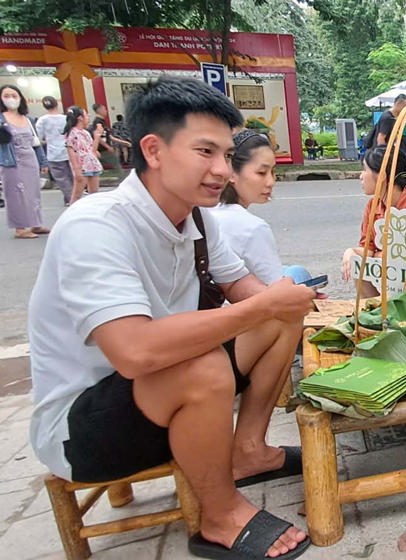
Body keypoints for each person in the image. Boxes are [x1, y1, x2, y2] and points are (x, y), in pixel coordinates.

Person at [28, 77, 313, 560]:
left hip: (161, 393)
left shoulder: (199, 219)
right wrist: (261, 305)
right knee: (202, 363)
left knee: (281, 319)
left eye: (226, 155)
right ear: (154, 150)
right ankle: (218, 516)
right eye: (206, 152)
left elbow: (250, 294)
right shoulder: (95, 225)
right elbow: (135, 352)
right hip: (83, 429)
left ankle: (248, 451)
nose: (222, 170)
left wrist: (290, 304)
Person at [211, 129, 312, 285]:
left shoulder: (206, 212)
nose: (271, 182)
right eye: (261, 172)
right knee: (298, 273)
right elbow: (276, 290)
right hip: (243, 304)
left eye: (273, 172)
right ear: (231, 173)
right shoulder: (252, 227)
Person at [341, 145, 406, 297]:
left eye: (365, 170)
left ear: (382, 176)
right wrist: (351, 252)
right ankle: (373, 313)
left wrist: (376, 256)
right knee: (357, 263)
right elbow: (368, 248)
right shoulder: (372, 206)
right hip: (386, 277)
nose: (360, 176)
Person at [0, 83, 50, 239]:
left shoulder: (28, 119)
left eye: (14, 96)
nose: (11, 99)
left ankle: (36, 223)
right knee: (15, 194)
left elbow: (36, 143)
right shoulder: (1, 119)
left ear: (20, 98)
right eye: (6, 96)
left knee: (33, 192)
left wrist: (43, 162)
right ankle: (20, 228)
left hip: (30, 159)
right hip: (11, 161)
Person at [35, 96, 73, 206]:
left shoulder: (42, 120)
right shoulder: (65, 118)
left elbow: (39, 138)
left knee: (62, 178)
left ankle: (70, 198)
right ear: (57, 104)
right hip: (69, 151)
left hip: (53, 154)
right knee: (72, 176)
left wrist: (49, 140)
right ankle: (73, 197)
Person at [63, 106, 104, 204]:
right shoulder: (72, 133)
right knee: (77, 195)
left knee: (94, 194)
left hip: (92, 166)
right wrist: (77, 170)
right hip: (82, 167)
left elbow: (93, 151)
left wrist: (97, 137)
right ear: (80, 117)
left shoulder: (86, 133)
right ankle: (71, 214)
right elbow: (71, 151)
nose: (88, 116)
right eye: (86, 114)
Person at [88, 103, 131, 170]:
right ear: (99, 110)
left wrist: (123, 142)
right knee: (116, 168)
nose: (106, 111)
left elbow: (109, 136)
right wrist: (108, 147)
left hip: (106, 149)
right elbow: (98, 137)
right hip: (103, 150)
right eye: (105, 109)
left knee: (114, 167)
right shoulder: (98, 122)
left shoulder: (103, 122)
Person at [374, 93, 406, 160]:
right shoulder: (388, 118)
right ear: (398, 104)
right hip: (382, 152)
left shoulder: (396, 117)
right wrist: (384, 157)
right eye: (405, 107)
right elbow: (380, 138)